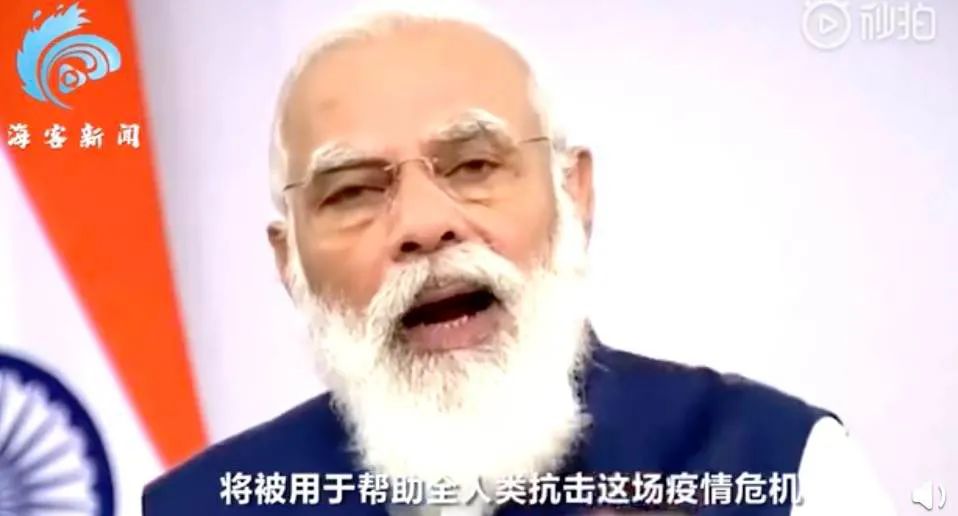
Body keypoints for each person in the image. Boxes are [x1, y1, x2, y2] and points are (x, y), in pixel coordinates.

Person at [143, 3, 895, 515]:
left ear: (574, 192)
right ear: (289, 261)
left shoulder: (781, 467)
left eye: (474, 165)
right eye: (353, 192)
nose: (425, 225)